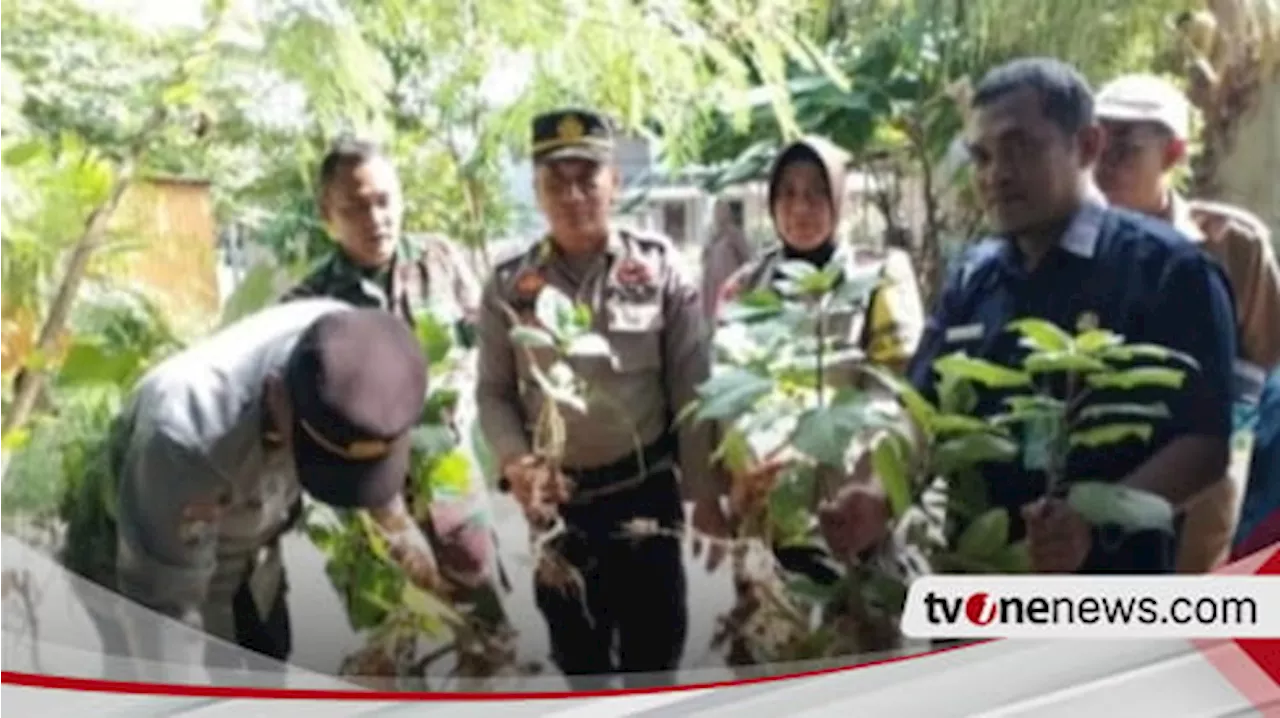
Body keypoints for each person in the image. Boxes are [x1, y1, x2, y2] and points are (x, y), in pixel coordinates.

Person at [827, 58, 1238, 575]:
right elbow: (921, 411)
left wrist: (1092, 525)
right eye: (982, 156)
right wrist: (876, 494)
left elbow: (1204, 445)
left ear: (1087, 146)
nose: (996, 174)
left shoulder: (1170, 271)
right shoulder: (973, 278)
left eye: (1020, 147)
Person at [63, 300, 441, 679]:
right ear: (278, 398)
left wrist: (396, 522)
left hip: (248, 542)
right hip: (144, 553)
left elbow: (363, 427)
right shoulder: (187, 435)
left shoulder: (348, 345)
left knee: (267, 665)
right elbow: (164, 619)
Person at [475, 108, 720, 689]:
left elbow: (693, 387)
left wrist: (705, 497)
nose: (574, 194)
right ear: (536, 191)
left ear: (616, 182)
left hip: (646, 499)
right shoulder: (509, 287)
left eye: (588, 177)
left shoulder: (659, 269)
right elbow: (492, 392)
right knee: (579, 662)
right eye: (555, 181)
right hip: (560, 511)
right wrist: (516, 462)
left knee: (654, 663)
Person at [279, 138, 514, 660]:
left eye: (385, 200)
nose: (376, 218)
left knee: (484, 621)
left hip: (450, 476)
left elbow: (488, 343)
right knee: (392, 634)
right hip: (361, 497)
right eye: (355, 206)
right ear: (326, 215)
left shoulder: (442, 261)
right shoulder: (306, 307)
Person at [712, 135, 926, 652]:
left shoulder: (878, 278)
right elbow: (725, 393)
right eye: (787, 193)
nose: (800, 207)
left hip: (848, 512)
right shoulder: (744, 287)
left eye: (815, 193)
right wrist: (739, 472)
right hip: (766, 518)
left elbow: (900, 398)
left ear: (839, 201)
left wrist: (875, 490)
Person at [1092, 73, 1280, 573]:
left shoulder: (1233, 245)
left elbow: (1258, 364)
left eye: (1125, 150)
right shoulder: (1069, 245)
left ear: (1172, 156)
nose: (1103, 166)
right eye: (1095, 147)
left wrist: (1224, 466)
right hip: (1097, 462)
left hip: (1201, 474)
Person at [700, 197, 752, 320]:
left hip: (729, 289)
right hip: (711, 289)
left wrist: (739, 281)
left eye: (722, 210)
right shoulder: (713, 236)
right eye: (716, 211)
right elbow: (704, 260)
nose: (718, 214)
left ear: (728, 213)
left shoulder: (735, 234)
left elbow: (748, 261)